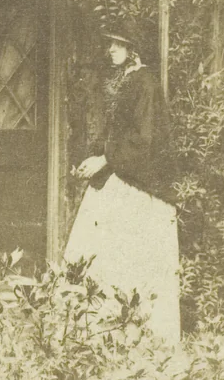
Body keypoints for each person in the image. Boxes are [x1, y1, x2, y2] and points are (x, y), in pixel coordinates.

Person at [64, 19, 181, 344]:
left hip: (139, 186)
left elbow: (143, 141)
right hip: (120, 176)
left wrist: (105, 159)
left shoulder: (145, 83)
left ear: (134, 50)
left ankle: (134, 337)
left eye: (118, 44)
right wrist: (96, 161)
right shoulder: (128, 80)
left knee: (128, 256)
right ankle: (99, 336)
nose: (110, 49)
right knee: (101, 253)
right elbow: (117, 136)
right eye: (110, 43)